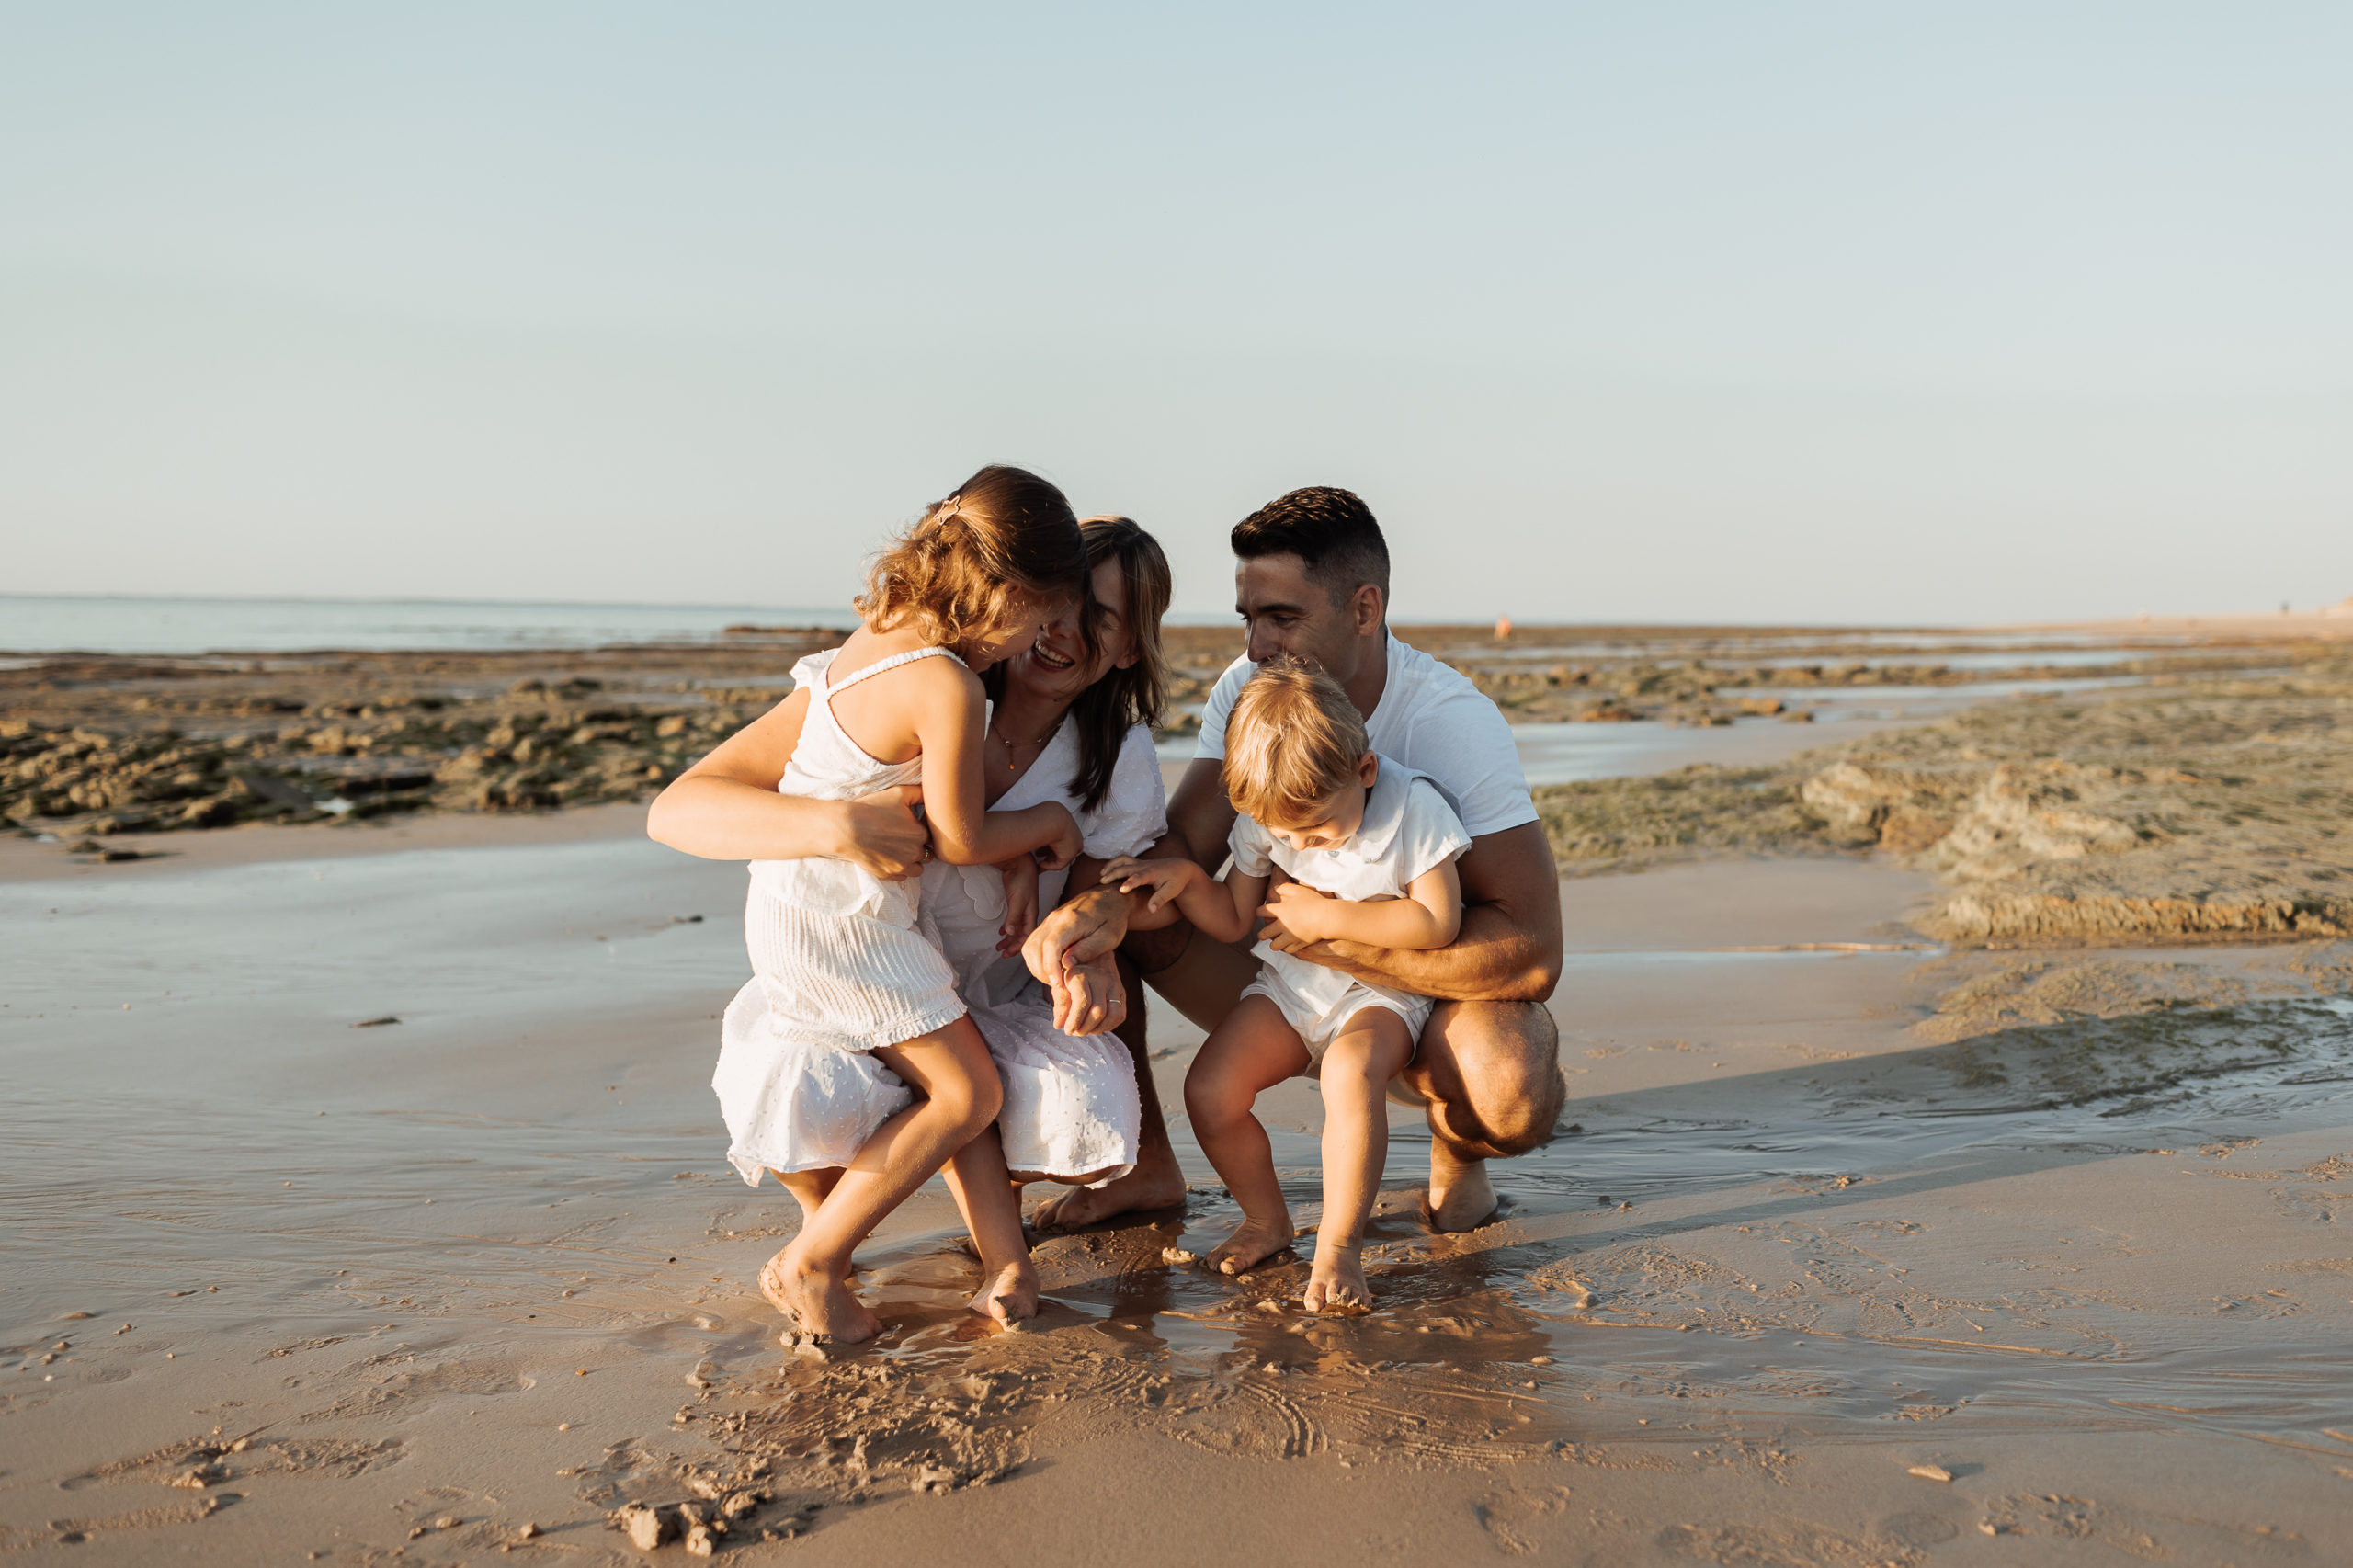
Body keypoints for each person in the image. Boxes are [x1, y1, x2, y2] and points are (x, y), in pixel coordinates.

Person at [1024, 486, 1567, 1235]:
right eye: (1251, 619)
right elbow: (1186, 849)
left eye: (1283, 619)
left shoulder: (1450, 723)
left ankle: (1454, 1151)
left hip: (1420, 1002)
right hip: (1292, 977)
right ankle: (1146, 1167)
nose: (1256, 647)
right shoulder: (1249, 691)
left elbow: (1533, 956)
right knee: (1110, 886)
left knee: (1508, 1093)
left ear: (1365, 610)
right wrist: (1104, 908)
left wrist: (1337, 938)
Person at [646, 464, 1086, 1345]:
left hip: (799, 909)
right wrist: (1049, 824)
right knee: (967, 1094)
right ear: (1000, 592)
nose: (1031, 646)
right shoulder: (949, 685)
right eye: (1036, 623)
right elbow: (960, 836)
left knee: (949, 1079)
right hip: (847, 924)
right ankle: (814, 1258)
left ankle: (985, 1267)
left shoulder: (869, 640)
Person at [1103, 657, 1470, 1311]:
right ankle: (1267, 1219)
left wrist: (1329, 916)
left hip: (1384, 993)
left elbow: (1438, 921)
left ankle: (1338, 1247)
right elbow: (1233, 920)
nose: (1304, 843)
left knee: (1349, 1075)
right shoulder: (1269, 821)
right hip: (1293, 988)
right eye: (1288, 832)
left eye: (1319, 828)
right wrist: (1188, 881)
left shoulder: (1414, 807)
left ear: (1365, 771)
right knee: (1211, 1089)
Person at [912, 516, 1174, 1316]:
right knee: (812, 1095)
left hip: (1000, 994)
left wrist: (1093, 940)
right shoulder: (939, 695)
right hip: (889, 986)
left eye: (1098, 618)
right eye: (1053, 603)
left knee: (1083, 1108)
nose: (1061, 632)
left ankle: (1002, 1195)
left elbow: (1104, 887)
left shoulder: (1114, 753)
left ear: (1130, 648)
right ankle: (834, 1214)